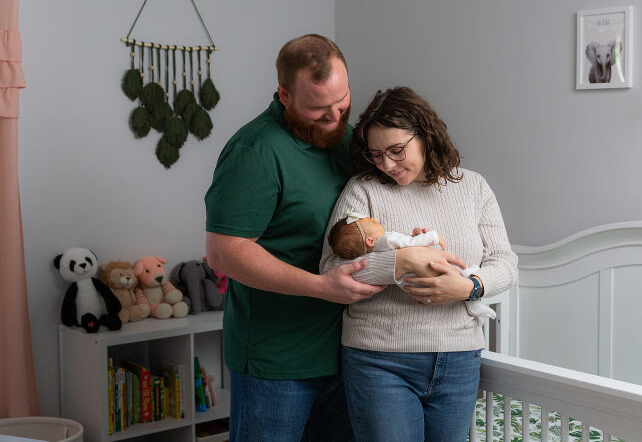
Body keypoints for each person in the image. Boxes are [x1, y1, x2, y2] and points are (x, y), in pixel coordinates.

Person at [204, 36, 463, 442]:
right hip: (280, 360)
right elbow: (224, 252)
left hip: (351, 356)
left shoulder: (349, 140)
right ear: (284, 94)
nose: (333, 116)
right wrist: (320, 286)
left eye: (341, 102)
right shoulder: (255, 151)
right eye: (318, 108)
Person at [319, 86, 518, 442]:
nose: (387, 164)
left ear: (426, 136)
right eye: (376, 154)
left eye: (397, 150)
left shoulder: (473, 188)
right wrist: (401, 261)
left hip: (459, 358)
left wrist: (468, 286)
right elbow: (331, 267)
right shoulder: (363, 189)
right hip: (380, 360)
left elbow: (505, 263)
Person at [328, 210, 496, 319]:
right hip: (424, 273)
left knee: (455, 275)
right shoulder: (386, 239)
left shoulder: (374, 249)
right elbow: (410, 243)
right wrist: (433, 237)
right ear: (370, 240)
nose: (373, 218)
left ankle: (471, 293)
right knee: (456, 269)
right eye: (371, 222)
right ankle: (471, 292)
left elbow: (405, 247)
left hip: (410, 281)